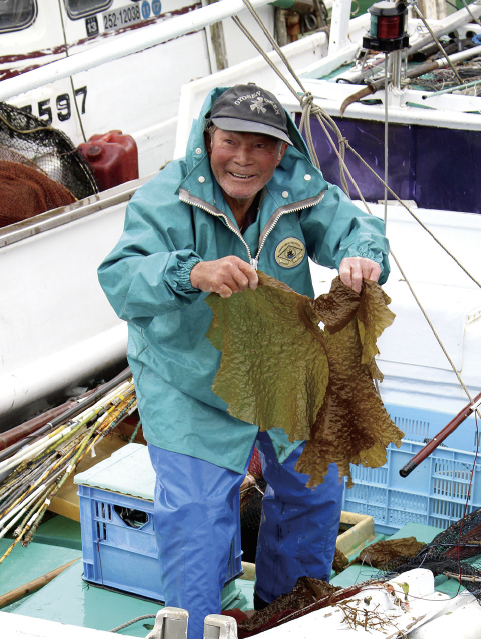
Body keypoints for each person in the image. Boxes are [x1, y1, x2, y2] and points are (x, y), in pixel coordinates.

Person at [98, 84, 390, 639]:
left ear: (282, 153)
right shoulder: (167, 196)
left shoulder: (296, 190)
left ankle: (287, 617)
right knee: (197, 516)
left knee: (315, 483)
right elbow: (120, 278)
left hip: (280, 368)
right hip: (189, 378)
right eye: (231, 142)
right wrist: (191, 273)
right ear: (210, 139)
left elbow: (356, 229)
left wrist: (362, 259)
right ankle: (196, 629)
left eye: (261, 147)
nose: (244, 159)